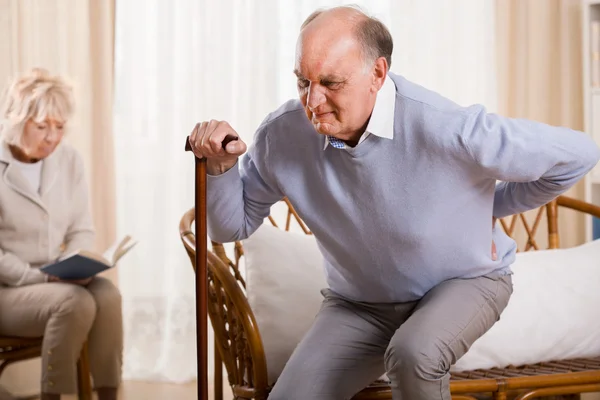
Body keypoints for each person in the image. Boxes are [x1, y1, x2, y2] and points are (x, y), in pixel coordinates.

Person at [188, 6, 600, 400]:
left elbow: (579, 154)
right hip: (361, 303)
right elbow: (230, 227)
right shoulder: (283, 136)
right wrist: (221, 167)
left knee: (414, 354)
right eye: (302, 81)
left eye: (331, 83)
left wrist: (488, 208)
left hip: (464, 285)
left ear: (377, 74)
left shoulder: (449, 126)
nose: (312, 102)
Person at [0, 68, 123, 400]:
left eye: (59, 127)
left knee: (107, 295)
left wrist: (72, 266)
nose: (52, 137)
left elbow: (81, 229)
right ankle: (52, 396)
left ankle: (109, 395)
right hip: (8, 289)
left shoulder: (69, 160)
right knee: (73, 302)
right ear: (16, 119)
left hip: (57, 279)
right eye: (41, 126)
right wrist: (42, 279)